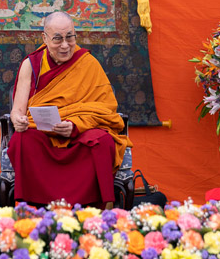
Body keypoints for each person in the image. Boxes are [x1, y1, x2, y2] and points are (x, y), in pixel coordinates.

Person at [7, 11, 131, 206]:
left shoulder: (88, 63)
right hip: (43, 135)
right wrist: (18, 120)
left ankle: (90, 208)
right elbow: (18, 111)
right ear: (44, 38)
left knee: (102, 141)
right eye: (57, 39)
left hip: (79, 133)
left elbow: (106, 110)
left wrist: (75, 125)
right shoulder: (31, 65)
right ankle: (36, 207)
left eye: (70, 37)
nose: (65, 45)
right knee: (22, 140)